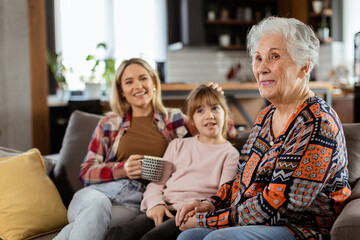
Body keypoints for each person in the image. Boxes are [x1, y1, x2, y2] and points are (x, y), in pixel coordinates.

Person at [176, 16, 351, 240]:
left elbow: (280, 205)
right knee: (187, 237)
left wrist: (206, 220)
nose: (261, 68)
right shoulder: (265, 117)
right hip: (259, 221)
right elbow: (242, 179)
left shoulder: (317, 122)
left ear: (303, 66)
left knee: (214, 239)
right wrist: (210, 203)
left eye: (274, 57)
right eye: (258, 58)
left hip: (302, 228)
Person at [54, 58, 190, 240]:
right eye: (129, 82)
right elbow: (86, 173)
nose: (138, 85)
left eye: (143, 78)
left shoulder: (173, 119)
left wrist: (215, 99)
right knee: (97, 206)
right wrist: (123, 169)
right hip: (98, 194)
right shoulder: (109, 123)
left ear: (153, 82)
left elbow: (213, 133)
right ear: (122, 92)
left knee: (88, 227)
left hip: (136, 202)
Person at [105, 85, 239, 240]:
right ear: (192, 120)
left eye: (215, 108)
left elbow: (223, 197)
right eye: (200, 111)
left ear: (226, 114)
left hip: (191, 215)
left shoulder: (230, 154)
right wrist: (156, 204)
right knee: (117, 234)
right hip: (164, 208)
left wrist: (198, 213)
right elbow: (156, 184)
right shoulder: (177, 145)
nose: (209, 115)